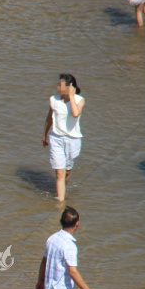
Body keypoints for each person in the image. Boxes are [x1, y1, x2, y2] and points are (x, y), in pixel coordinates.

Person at [41, 74, 85, 203]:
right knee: (59, 173)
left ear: (69, 87)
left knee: (66, 172)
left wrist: (71, 96)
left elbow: (76, 113)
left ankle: (62, 190)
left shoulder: (79, 100)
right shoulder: (53, 100)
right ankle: (60, 204)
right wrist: (44, 134)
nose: (57, 87)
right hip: (56, 138)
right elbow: (49, 117)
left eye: (60, 85)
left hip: (73, 140)